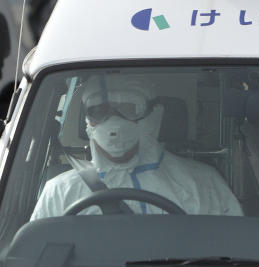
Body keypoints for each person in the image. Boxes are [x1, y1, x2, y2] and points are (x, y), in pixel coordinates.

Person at [30, 79, 243, 218]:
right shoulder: (60, 192)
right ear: (87, 121)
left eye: (128, 109)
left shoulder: (202, 183)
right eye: (99, 111)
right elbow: (34, 261)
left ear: (153, 116)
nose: (112, 122)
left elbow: (232, 253)